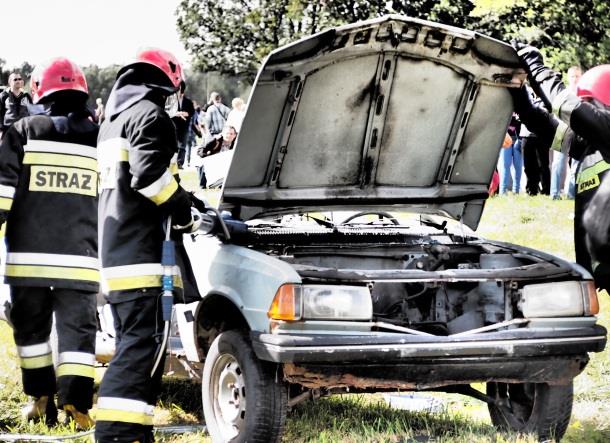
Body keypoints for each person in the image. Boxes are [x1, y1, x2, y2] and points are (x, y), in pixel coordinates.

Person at [95, 48, 204, 442]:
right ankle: (114, 434)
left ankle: (135, 432)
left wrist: (185, 200)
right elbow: (150, 179)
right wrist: (186, 212)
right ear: (171, 82)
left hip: (116, 255)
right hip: (143, 259)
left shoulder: (113, 122)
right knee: (141, 350)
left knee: (132, 348)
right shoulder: (152, 116)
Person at [0, 58, 98, 428]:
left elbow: (1, 193)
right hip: (81, 258)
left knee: (32, 334)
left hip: (29, 261)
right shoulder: (97, 135)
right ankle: (77, 405)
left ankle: (41, 399)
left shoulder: (24, 129)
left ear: (41, 91)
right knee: (78, 335)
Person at [514, 43, 610, 291]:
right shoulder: (591, 144)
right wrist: (518, 93)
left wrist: (533, 64)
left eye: (588, 101)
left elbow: (566, 104)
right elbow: (545, 126)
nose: (583, 105)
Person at [550, 66, 582, 199]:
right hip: (562, 129)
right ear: (568, 77)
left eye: (577, 76)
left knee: (576, 164)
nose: (574, 79)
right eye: (572, 76)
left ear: (581, 77)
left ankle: (571, 194)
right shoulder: (563, 93)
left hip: (579, 131)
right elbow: (555, 111)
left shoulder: (583, 93)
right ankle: (555, 194)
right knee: (558, 162)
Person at [168, 81, 195, 168]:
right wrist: (177, 113)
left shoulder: (188, 102)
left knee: (182, 146)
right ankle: (172, 162)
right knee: (173, 145)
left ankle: (179, 163)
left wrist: (186, 114)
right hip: (173, 125)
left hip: (184, 127)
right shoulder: (171, 101)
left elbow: (192, 112)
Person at [0, 72, 32, 139]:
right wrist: (1, 130)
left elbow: (31, 113)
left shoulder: (26, 95)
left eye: (19, 79)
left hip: (23, 130)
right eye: (15, 79)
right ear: (10, 82)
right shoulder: (3, 96)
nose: (18, 81)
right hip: (8, 130)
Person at [498, 114, 522, 194]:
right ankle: (503, 191)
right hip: (506, 140)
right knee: (506, 165)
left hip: (518, 140)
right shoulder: (505, 109)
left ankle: (516, 190)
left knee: (518, 166)